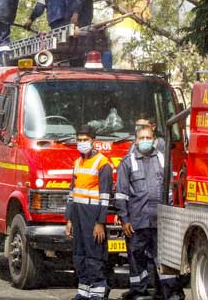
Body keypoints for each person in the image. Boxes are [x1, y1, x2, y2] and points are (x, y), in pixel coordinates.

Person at [115, 126, 184, 300]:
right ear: (136, 141)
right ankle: (139, 291)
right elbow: (121, 194)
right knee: (136, 257)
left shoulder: (162, 159)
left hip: (159, 220)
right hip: (137, 221)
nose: (145, 141)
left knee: (163, 258)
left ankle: (169, 292)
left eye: (148, 137)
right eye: (142, 138)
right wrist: (124, 219)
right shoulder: (127, 162)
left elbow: (169, 190)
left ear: (154, 140)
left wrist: (171, 216)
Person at [65, 125, 113, 300]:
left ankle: (98, 292)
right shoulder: (77, 163)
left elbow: (106, 196)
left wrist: (100, 222)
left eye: (85, 140)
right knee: (79, 255)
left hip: (92, 215)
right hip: (77, 215)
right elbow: (72, 193)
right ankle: (84, 292)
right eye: (79, 139)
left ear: (93, 141)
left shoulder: (103, 164)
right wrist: (69, 219)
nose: (82, 143)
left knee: (94, 255)